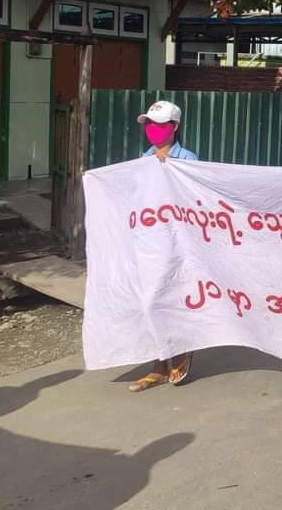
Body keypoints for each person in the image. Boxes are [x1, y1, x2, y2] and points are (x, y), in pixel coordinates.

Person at [128, 100, 197, 392]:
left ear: (174, 127)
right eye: (149, 124)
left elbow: (195, 198)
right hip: (150, 241)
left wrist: (172, 174)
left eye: (159, 125)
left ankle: (181, 352)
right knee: (150, 301)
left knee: (174, 298)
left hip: (177, 242)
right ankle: (158, 365)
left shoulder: (188, 159)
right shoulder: (143, 160)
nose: (153, 130)